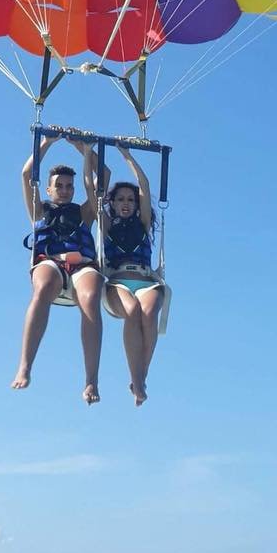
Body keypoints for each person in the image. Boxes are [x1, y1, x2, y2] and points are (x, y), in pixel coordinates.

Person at [11, 134, 103, 404]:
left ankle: (91, 380)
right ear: (49, 190)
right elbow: (27, 173)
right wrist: (46, 143)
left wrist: (85, 150)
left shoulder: (84, 213)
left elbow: (104, 178)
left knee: (90, 297)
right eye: (59, 186)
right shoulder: (40, 211)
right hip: (50, 262)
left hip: (81, 266)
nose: (64, 190)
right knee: (43, 287)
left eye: (69, 186)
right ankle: (25, 366)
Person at [101, 146, 165, 407]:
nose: (126, 204)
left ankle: (140, 378)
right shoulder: (106, 224)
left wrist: (126, 155)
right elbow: (93, 196)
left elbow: (145, 185)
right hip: (117, 281)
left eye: (130, 200)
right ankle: (137, 379)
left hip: (146, 281)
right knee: (133, 311)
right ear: (112, 203)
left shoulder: (144, 223)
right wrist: (87, 154)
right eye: (120, 200)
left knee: (148, 314)